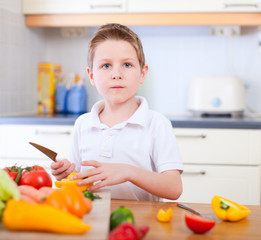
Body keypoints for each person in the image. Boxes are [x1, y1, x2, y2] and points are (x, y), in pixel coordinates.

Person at [51, 23, 183, 201]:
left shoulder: (157, 124)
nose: (117, 74)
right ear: (91, 76)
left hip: (140, 225)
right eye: (106, 66)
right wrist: (66, 174)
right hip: (91, 220)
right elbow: (78, 180)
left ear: (142, 73)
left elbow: (174, 188)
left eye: (127, 65)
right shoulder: (83, 124)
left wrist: (128, 172)